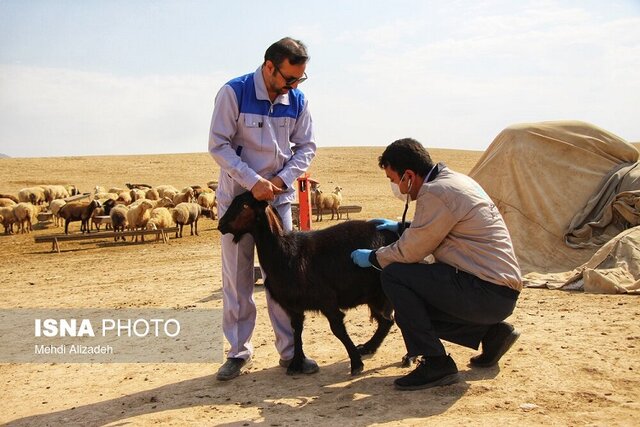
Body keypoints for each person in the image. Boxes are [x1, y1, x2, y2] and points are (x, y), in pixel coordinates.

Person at [350, 138, 522, 391]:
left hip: (484, 291)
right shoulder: (456, 181)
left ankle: (436, 363)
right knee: (413, 308)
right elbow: (444, 228)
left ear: (409, 175)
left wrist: (374, 257)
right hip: (499, 294)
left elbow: (411, 251)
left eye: (393, 179)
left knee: (395, 276)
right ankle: (491, 335)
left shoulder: (435, 192)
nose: (396, 186)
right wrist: (401, 226)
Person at [208, 37, 318, 381]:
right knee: (238, 278)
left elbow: (306, 147)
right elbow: (218, 145)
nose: (294, 85)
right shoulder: (234, 92)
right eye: (289, 78)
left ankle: (289, 352)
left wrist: (283, 181)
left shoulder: (297, 100)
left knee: (283, 277)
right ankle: (238, 352)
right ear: (269, 66)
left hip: (277, 204)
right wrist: (252, 179)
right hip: (240, 203)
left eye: (300, 79)